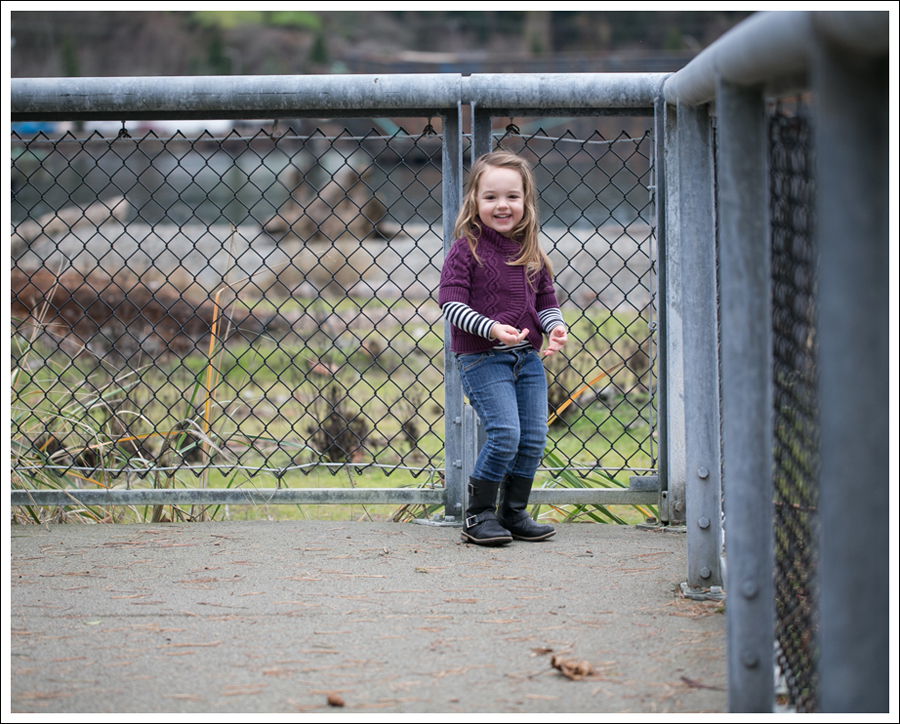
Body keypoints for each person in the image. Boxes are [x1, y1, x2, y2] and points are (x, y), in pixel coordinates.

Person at [439, 151, 567, 546]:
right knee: (505, 433)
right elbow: (451, 304)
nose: (502, 205)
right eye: (491, 197)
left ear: (526, 201)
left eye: (512, 196)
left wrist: (555, 326)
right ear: (474, 201)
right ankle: (478, 515)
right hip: (482, 359)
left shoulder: (531, 251)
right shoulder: (466, 250)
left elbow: (545, 300)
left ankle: (513, 512)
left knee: (533, 437)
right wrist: (492, 328)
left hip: (526, 358)